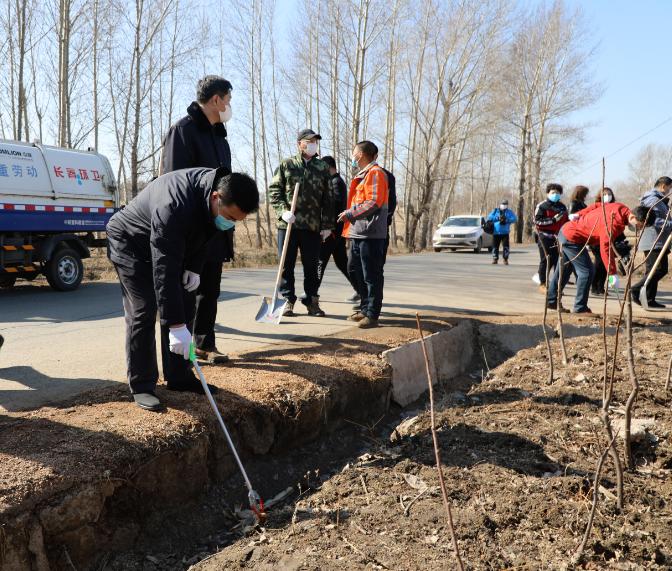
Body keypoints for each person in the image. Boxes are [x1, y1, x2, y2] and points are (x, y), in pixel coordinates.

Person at [106, 169, 259, 411]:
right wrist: (175, 325)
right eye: (229, 217)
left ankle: (180, 376)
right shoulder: (174, 205)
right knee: (144, 308)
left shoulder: (210, 198)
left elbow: (205, 233)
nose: (229, 224)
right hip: (130, 242)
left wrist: (194, 268)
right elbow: (164, 268)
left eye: (236, 221)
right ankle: (142, 385)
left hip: (165, 244)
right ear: (216, 198)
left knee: (186, 302)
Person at [161, 75, 235, 365]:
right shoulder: (183, 131)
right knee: (186, 288)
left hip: (215, 224)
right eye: (228, 100)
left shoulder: (219, 136)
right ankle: (180, 351)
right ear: (215, 100)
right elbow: (174, 181)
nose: (229, 106)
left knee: (210, 287)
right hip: (191, 225)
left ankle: (205, 343)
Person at [268, 129, 333, 317]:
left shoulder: (322, 168)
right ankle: (287, 300)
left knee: (311, 265)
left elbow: (328, 199)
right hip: (288, 225)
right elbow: (274, 191)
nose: (313, 144)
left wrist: (327, 225)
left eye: (315, 141)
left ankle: (312, 301)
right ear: (300, 144)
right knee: (286, 265)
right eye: (309, 141)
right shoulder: (286, 165)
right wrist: (283, 212)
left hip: (312, 226)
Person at [546, 201, 646, 315]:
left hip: (567, 232)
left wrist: (580, 213)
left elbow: (598, 205)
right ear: (633, 216)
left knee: (564, 269)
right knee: (587, 272)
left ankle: (551, 300)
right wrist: (612, 273)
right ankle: (580, 308)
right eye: (639, 225)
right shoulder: (612, 224)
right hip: (572, 237)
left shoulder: (620, 207)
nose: (639, 228)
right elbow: (605, 247)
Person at [339, 140, 389, 328]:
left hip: (371, 233)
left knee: (372, 275)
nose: (352, 156)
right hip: (358, 232)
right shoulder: (363, 174)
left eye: (354, 153)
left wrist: (350, 214)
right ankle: (364, 307)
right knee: (355, 270)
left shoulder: (375, 173)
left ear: (360, 154)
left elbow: (374, 202)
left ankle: (372, 314)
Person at [316, 155, 357, 297]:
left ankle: (312, 292)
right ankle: (360, 290)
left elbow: (334, 206)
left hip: (332, 230)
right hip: (337, 231)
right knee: (342, 263)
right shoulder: (335, 181)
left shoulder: (336, 182)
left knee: (320, 260)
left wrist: (326, 227)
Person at [631, 176, 672, 308]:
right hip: (653, 240)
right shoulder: (652, 199)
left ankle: (649, 299)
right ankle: (636, 289)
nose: (670, 191)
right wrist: (670, 224)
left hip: (658, 239)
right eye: (670, 188)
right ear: (663, 186)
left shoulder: (659, 200)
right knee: (660, 269)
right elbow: (651, 220)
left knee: (654, 270)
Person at [534, 184, 568, 289]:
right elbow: (537, 221)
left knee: (558, 260)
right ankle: (543, 283)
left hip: (558, 237)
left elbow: (566, 222)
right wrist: (552, 220)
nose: (555, 194)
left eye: (557, 193)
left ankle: (555, 285)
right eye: (553, 192)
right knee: (546, 259)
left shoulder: (562, 207)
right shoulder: (542, 206)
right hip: (544, 236)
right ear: (548, 193)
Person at [589, 188, 616, 296]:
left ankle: (601, 288)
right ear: (600, 196)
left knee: (606, 265)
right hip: (596, 240)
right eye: (604, 194)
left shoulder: (615, 207)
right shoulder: (595, 207)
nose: (607, 196)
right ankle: (594, 286)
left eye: (609, 194)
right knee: (599, 263)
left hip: (609, 240)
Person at [487, 199, 517, 265]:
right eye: (503, 204)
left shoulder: (509, 212)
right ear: (500, 204)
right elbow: (489, 218)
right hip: (496, 232)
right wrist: (497, 218)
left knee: (506, 247)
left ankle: (505, 259)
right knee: (495, 246)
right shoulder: (495, 211)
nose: (504, 205)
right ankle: (495, 259)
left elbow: (515, 219)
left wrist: (507, 219)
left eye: (505, 204)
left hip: (505, 232)